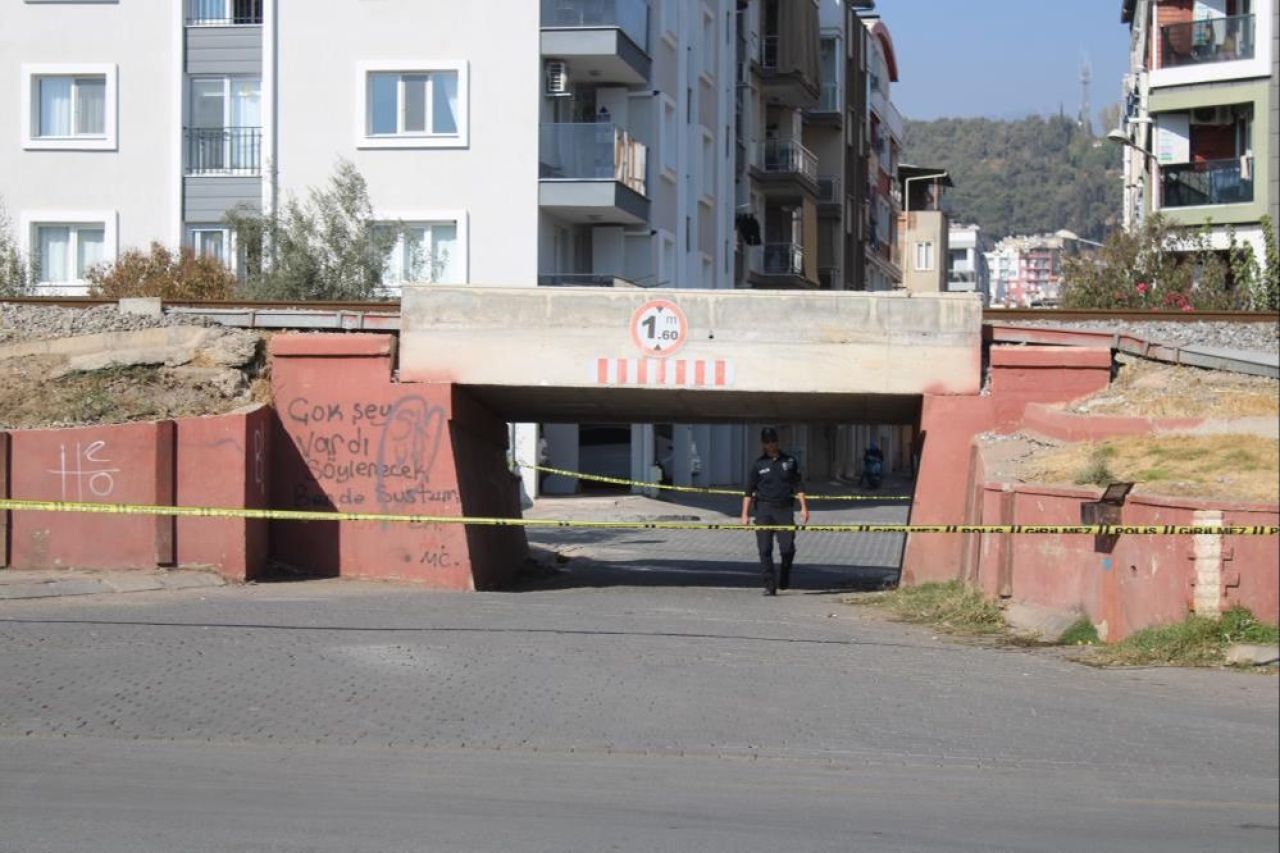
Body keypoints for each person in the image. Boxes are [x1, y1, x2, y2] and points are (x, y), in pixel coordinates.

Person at [741, 427, 809, 596]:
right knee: (764, 549)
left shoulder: (790, 461)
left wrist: (804, 507)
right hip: (764, 509)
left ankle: (784, 575)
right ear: (763, 444)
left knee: (787, 548)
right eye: (767, 442)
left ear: (777, 442)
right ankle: (769, 585)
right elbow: (748, 491)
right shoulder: (758, 464)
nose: (771, 445)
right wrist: (745, 514)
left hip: (784, 508)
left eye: (773, 441)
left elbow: (798, 485)